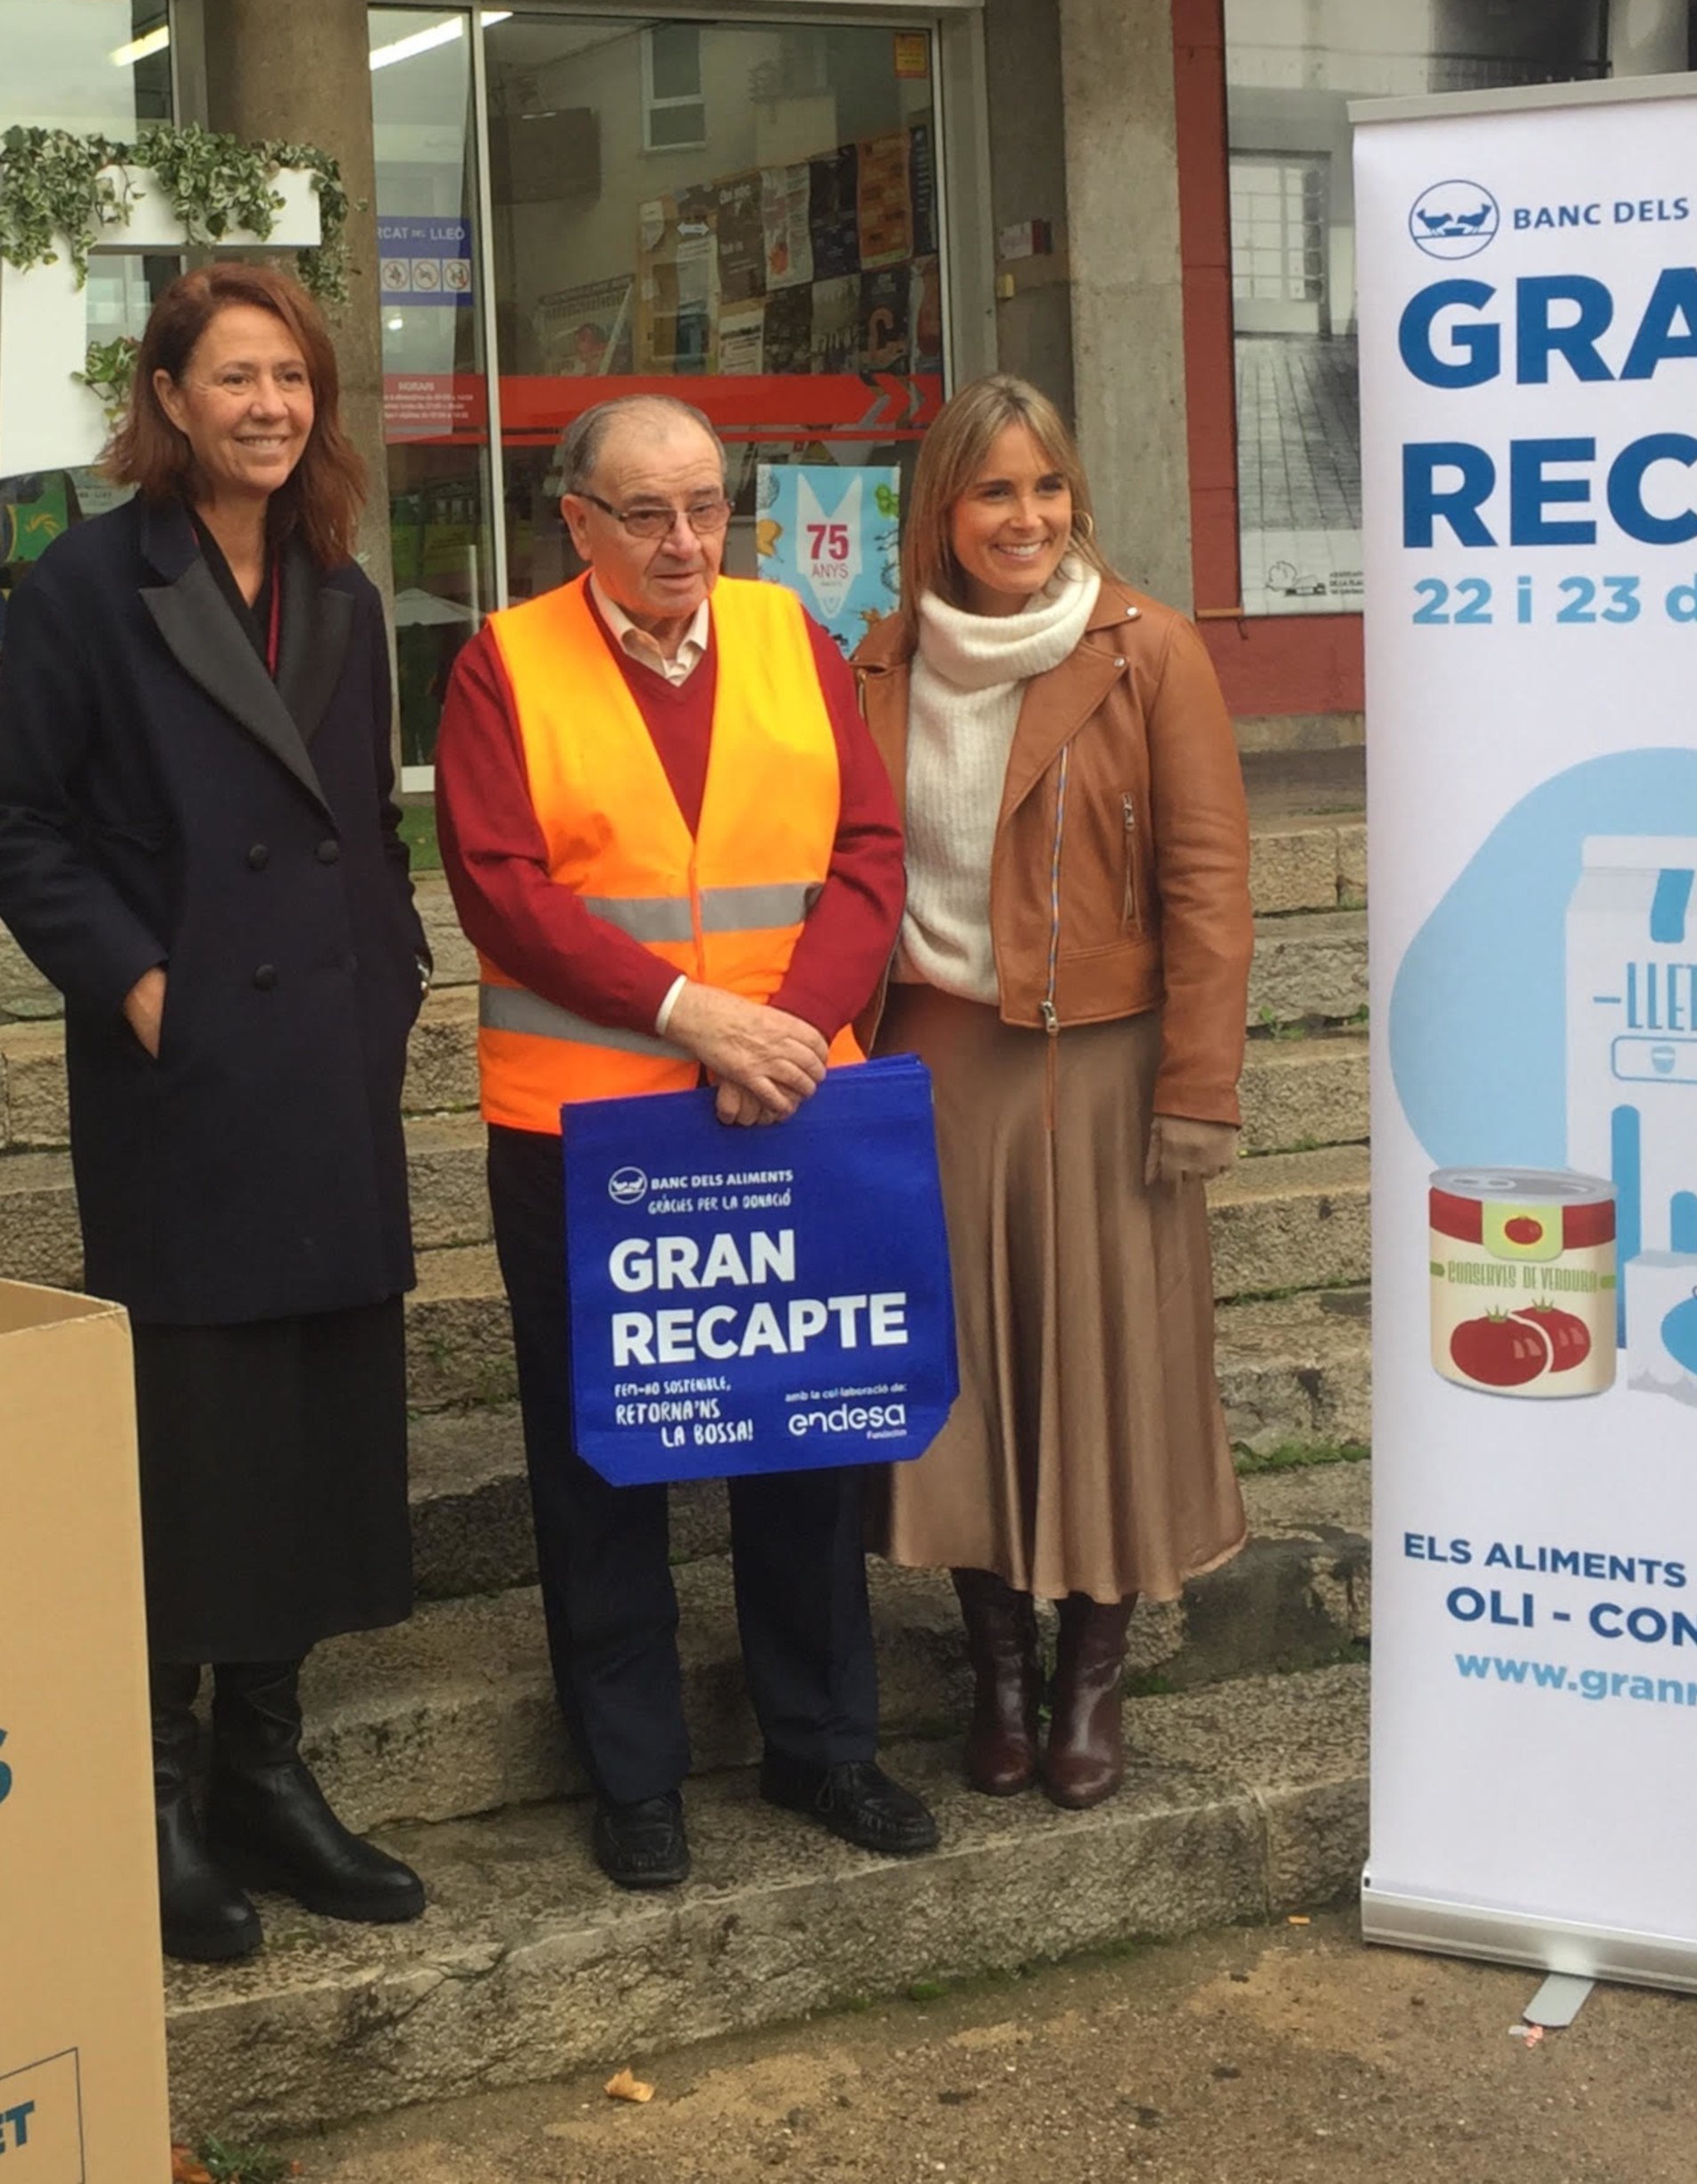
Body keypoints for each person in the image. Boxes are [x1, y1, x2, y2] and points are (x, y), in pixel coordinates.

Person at [0, 262, 430, 1968]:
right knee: (196, 1437)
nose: (266, 407)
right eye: (231, 377)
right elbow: (14, 823)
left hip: (324, 1061)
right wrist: (141, 984)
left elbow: (364, 820)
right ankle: (154, 1792)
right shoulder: (89, 585)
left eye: (290, 379)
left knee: (314, 1426)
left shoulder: (342, 587)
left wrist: (390, 973)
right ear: (166, 398)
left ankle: (267, 1767)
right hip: (185, 1075)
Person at [434, 390, 937, 1889]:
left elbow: (865, 851)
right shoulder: (501, 663)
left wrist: (788, 1032)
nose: (682, 541)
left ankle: (822, 1745)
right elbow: (501, 887)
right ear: (575, 521)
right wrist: (697, 1021)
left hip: (791, 1098)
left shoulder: (791, 636)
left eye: (707, 507)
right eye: (644, 513)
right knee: (601, 1455)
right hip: (586, 1122)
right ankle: (634, 1772)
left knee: (809, 1431)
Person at [846, 375, 1252, 1810]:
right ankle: (998, 1673)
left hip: (1103, 1060)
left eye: (1046, 489)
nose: (1025, 518)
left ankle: (1092, 1672)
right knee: (958, 1382)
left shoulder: (1149, 652)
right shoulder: (880, 665)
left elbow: (1209, 881)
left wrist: (1201, 1084)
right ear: (941, 515)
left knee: (1102, 1370)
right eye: (993, 492)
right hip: (930, 1063)